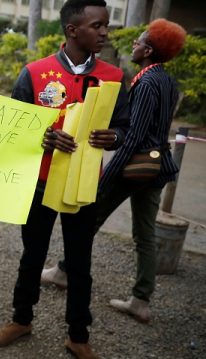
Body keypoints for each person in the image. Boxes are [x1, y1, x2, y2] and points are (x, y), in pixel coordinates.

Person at [0, 0, 129, 359]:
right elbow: (13, 130)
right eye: (97, 25)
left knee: (80, 262)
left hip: (84, 185)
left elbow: (126, 128)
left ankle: (78, 335)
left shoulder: (113, 77)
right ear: (72, 30)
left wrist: (116, 137)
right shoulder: (35, 73)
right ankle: (21, 320)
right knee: (32, 255)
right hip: (39, 183)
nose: (105, 32)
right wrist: (42, 137)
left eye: (106, 24)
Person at [45, 19, 187, 324]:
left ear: (148, 50)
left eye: (139, 40)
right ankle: (141, 300)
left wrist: (105, 179)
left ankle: (64, 271)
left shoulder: (146, 82)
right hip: (156, 166)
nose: (134, 43)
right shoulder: (166, 80)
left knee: (90, 218)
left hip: (135, 167)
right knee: (144, 234)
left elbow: (133, 135)